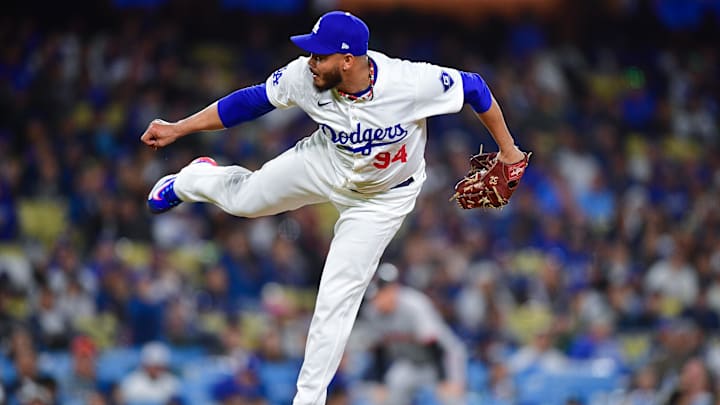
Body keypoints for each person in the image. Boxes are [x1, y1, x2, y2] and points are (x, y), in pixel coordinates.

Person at [141, 10, 526, 404]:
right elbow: (250, 102)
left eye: (320, 55)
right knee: (245, 201)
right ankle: (191, 179)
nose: (311, 62)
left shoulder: (410, 82)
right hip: (326, 161)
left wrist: (508, 151)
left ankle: (307, 400)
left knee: (337, 295)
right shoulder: (305, 77)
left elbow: (475, 88)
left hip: (382, 199)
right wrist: (179, 127)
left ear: (348, 60)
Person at [356, 263, 467, 405]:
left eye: (381, 294)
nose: (376, 301)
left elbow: (435, 345)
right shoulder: (373, 312)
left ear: (393, 290)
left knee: (451, 399)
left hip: (444, 359)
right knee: (392, 389)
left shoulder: (413, 305)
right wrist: (380, 383)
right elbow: (379, 349)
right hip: (411, 362)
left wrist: (444, 380)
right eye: (375, 296)